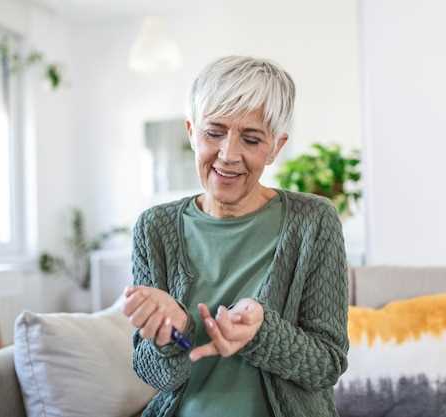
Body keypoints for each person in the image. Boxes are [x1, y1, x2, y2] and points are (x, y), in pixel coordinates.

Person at [122, 55, 349, 417]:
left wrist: (262, 333)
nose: (228, 155)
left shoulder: (313, 222)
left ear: (276, 146)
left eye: (252, 138)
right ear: (191, 132)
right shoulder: (154, 228)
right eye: (214, 132)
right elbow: (153, 374)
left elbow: (328, 364)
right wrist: (175, 333)